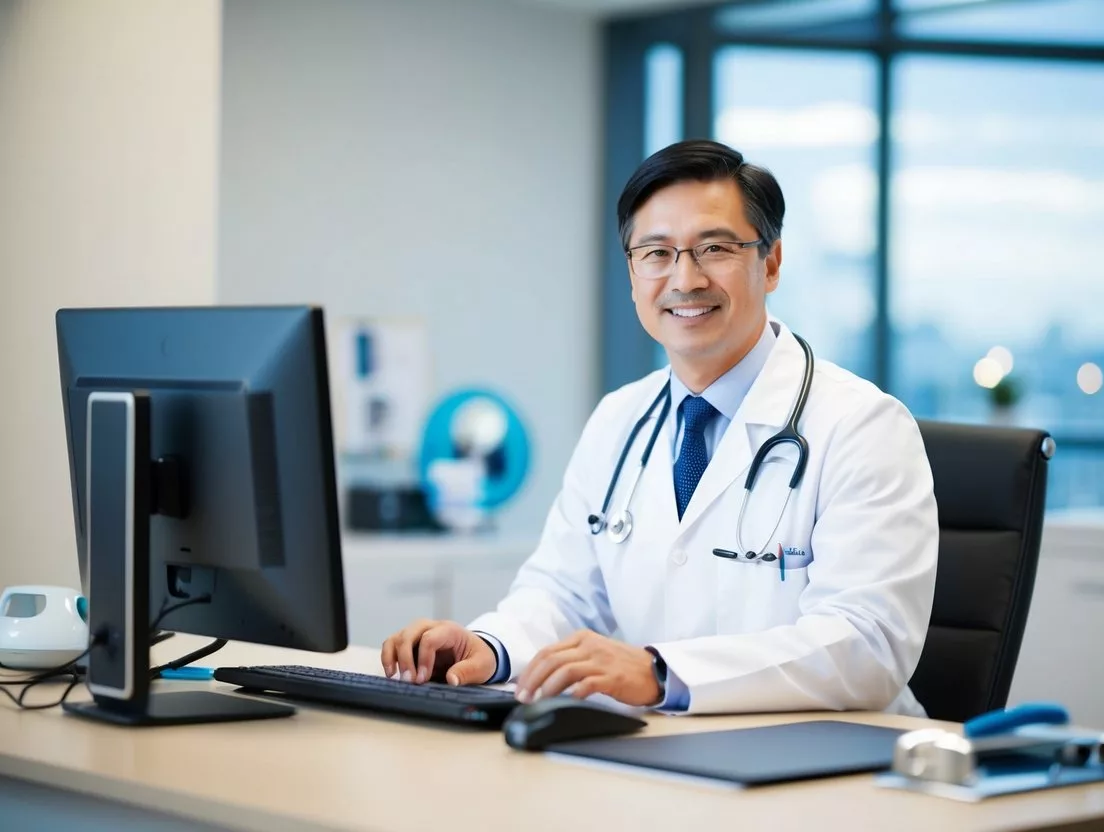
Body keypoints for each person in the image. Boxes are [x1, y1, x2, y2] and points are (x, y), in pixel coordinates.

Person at [381, 139, 939, 716]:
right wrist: (490, 647)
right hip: (669, 755)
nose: (685, 279)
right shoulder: (619, 419)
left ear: (769, 264)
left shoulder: (863, 427)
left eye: (715, 248)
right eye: (656, 253)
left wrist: (659, 672)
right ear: (631, 272)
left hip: (834, 770)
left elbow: (868, 645)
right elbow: (565, 595)